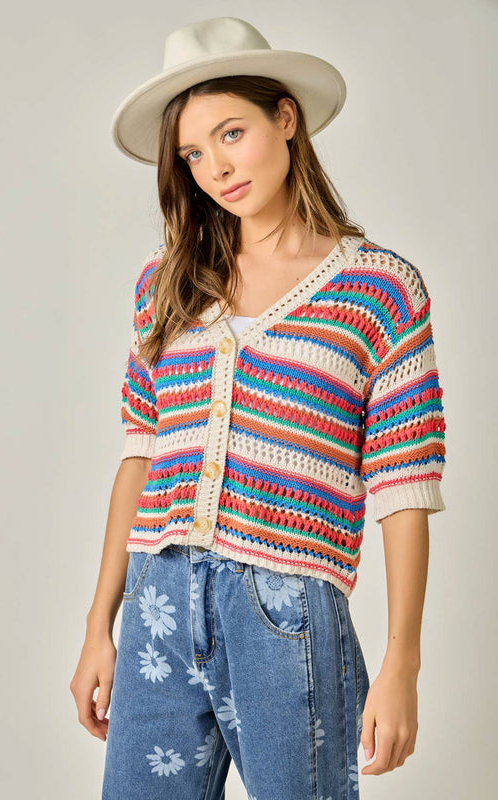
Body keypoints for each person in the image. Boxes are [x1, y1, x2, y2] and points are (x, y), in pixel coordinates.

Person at [70, 16, 447, 800]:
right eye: (191, 154)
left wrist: (401, 663)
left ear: (285, 118)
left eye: (231, 133)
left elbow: (403, 485)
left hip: (287, 611)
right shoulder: (164, 285)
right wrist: (98, 626)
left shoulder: (378, 289)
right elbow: (140, 455)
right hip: (156, 600)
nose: (214, 168)